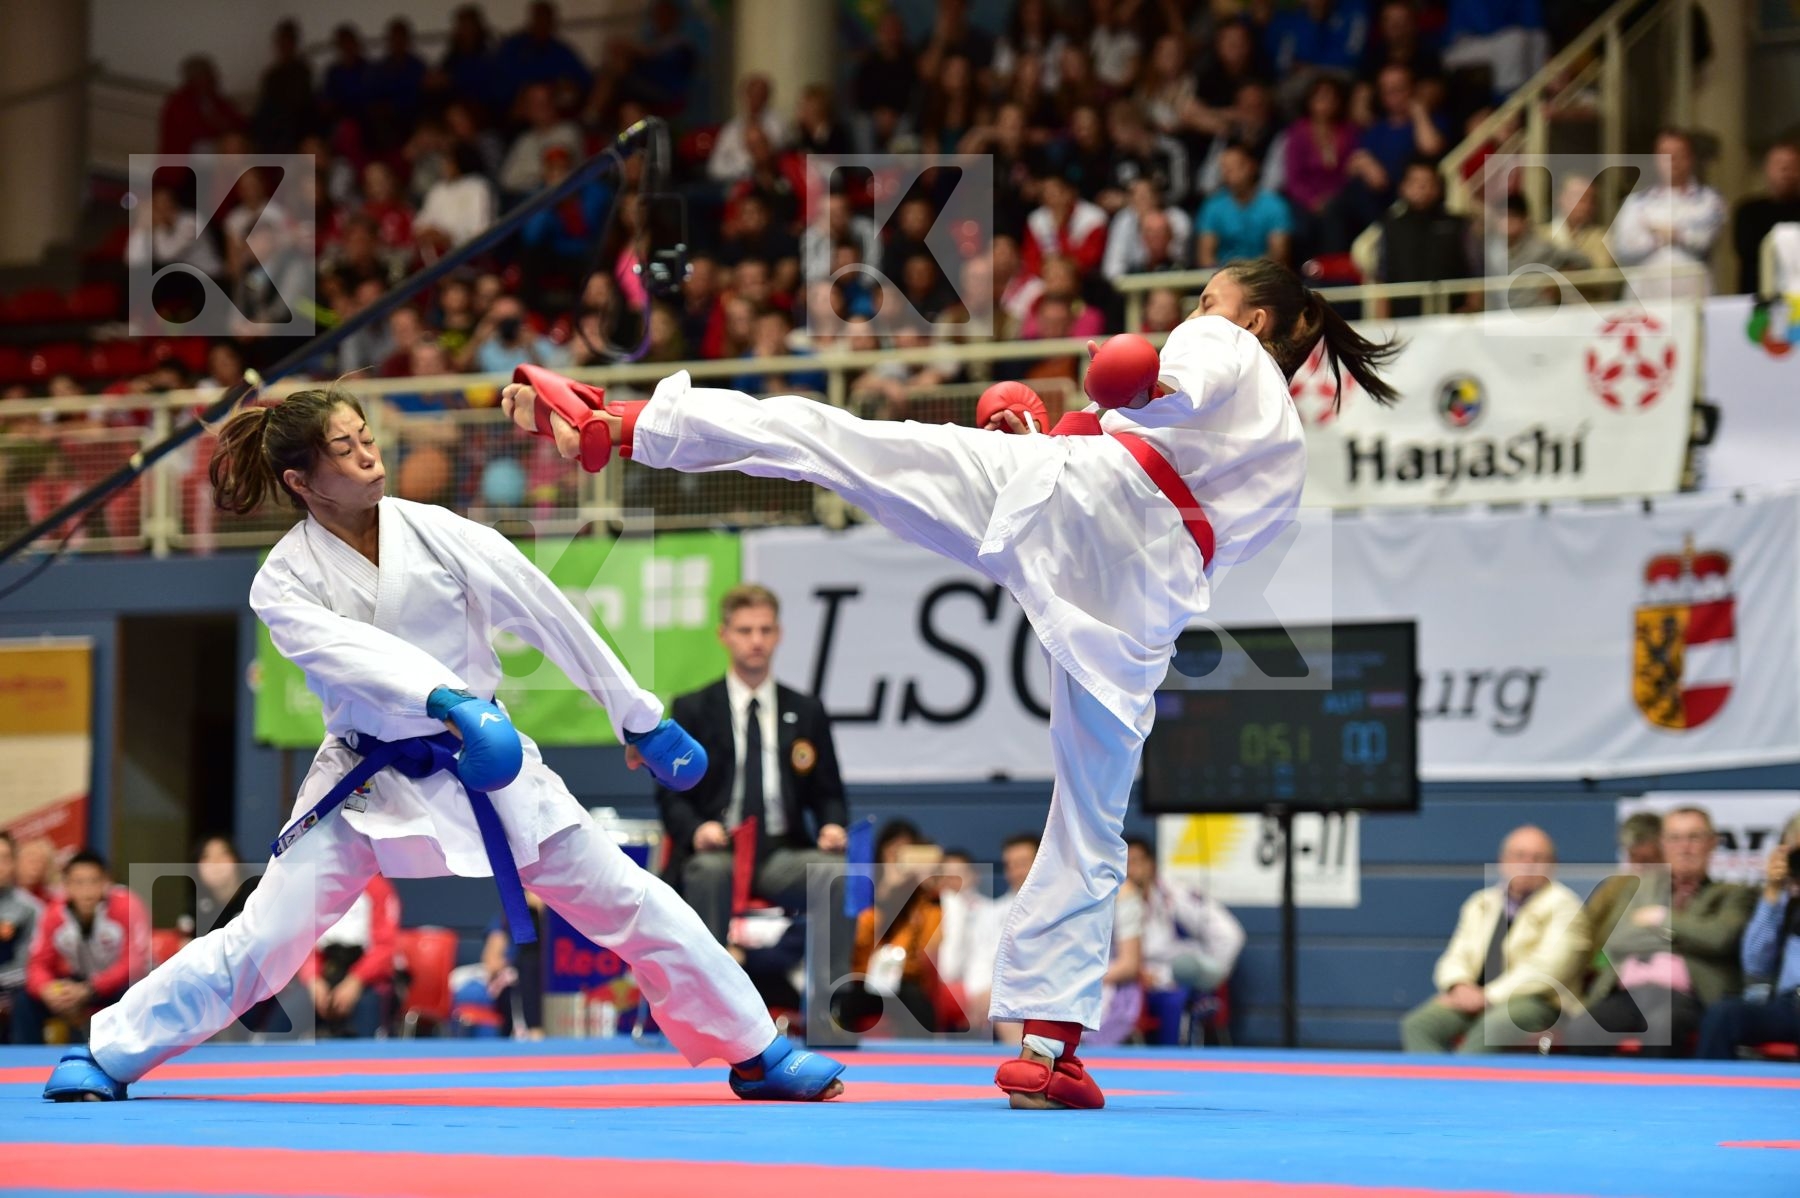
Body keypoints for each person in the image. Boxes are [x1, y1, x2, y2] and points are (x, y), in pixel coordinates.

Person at [501, 256, 1399, 1108]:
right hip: (1141, 593)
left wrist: (1131, 383)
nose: (1201, 313)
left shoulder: (1226, 345)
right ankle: (1050, 1050)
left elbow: (1155, 386)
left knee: (833, 438)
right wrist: (1050, 432)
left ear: (1257, 317)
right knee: (1091, 814)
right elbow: (1152, 471)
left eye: (1210, 300)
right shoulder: (1285, 460)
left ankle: (618, 422)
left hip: (1074, 501)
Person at [42, 387, 845, 1103]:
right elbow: (352, 655)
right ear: (300, 482)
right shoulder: (282, 580)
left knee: (632, 901)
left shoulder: (438, 532)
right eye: (346, 449)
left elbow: (546, 609)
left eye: (367, 438)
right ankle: (110, 1051)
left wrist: (634, 714)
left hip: (488, 768)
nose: (368, 455)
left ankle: (756, 1050)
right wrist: (446, 698)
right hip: (365, 777)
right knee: (264, 939)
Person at [654, 584, 851, 981]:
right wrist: (696, 830)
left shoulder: (805, 710)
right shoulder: (693, 708)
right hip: (719, 847)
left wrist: (832, 825)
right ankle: (709, 1010)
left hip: (780, 852)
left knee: (837, 874)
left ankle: (830, 1012)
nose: (756, 641)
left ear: (778, 634)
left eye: (765, 630)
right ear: (724, 635)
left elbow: (829, 792)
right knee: (707, 872)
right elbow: (670, 794)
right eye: (745, 631)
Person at [1569, 806, 1755, 1058]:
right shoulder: (1640, 887)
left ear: (1712, 843)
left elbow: (1719, 938)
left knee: (1662, 1028)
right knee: (1582, 1028)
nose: (1684, 847)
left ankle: (1655, 1097)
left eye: (1694, 837)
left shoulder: (1733, 894)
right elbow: (1618, 940)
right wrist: (1685, 935)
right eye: (1675, 838)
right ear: (1663, 844)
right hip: (1630, 992)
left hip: (1687, 996)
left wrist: (1660, 919)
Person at [1399, 826, 1590, 1054]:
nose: (1527, 864)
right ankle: (1431, 1087)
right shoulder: (1480, 902)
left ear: (1553, 865)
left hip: (1539, 1002)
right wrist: (1458, 986)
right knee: (1418, 1025)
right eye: (1519, 856)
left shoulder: (1566, 907)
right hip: (1475, 997)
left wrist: (1488, 996)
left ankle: (1462, 1087)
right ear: (1503, 861)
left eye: (1538, 858)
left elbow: (1546, 971)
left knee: (1492, 1027)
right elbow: (1456, 955)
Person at [1697, 813, 1800, 1058]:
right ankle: (1707, 1091)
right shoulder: (1785, 900)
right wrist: (1773, 893)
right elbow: (1755, 963)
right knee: (1724, 1015)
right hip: (1790, 1004)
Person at [1125, 835, 1246, 1045]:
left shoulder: (1175, 895)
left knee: (1177, 998)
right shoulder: (1104, 900)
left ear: (1151, 865)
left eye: (1135, 862)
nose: (1129, 870)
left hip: (1173, 979)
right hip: (1126, 982)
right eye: (1123, 863)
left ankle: (1174, 1062)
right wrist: (1134, 971)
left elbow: (1229, 935)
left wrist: (1208, 977)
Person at [25, 850, 151, 1046]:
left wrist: (91, 988)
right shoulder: (53, 914)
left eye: (94, 882)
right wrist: (48, 990)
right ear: (66, 885)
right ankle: (26, 1063)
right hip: (78, 982)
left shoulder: (128, 905)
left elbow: (135, 963)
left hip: (118, 985)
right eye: (79, 883)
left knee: (133, 992)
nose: (87, 891)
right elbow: (38, 964)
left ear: (106, 883)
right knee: (26, 1001)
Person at [1, 832, 45, 1043]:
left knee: (25, 1000)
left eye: (5, 858)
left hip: (13, 992)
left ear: (14, 864)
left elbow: (32, 964)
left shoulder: (30, 908)